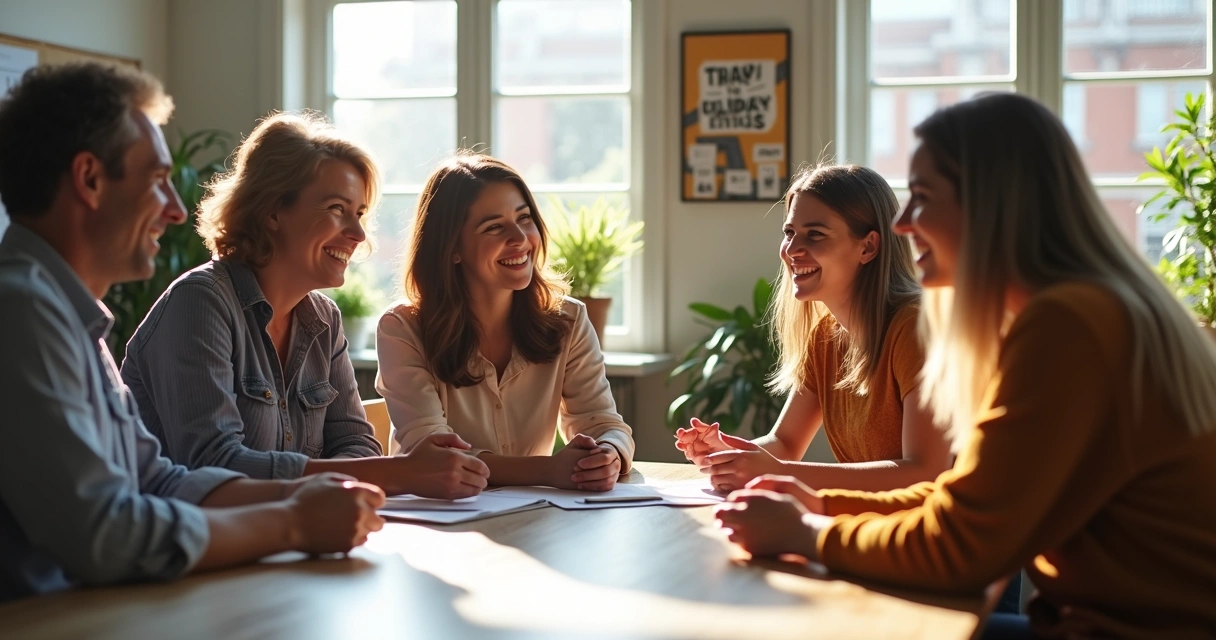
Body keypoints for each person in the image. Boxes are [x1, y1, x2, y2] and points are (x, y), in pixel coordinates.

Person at [715, 92, 1216, 638]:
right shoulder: (1081, 308)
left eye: (924, 198)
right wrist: (817, 502)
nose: (905, 224)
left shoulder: (1068, 326)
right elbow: (964, 500)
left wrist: (807, 534)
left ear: (993, 204)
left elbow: (963, 547)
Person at [0, 63, 385, 603]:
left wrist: (308, 497)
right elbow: (104, 535)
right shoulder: (20, 312)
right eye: (157, 181)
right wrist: (293, 524)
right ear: (89, 180)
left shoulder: (68, 318)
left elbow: (156, 480)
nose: (177, 211)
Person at [120, 112, 489, 499]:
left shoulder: (323, 319)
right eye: (336, 208)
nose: (358, 233)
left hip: (288, 542)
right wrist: (399, 473)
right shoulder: (200, 302)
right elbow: (214, 467)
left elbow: (357, 445)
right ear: (272, 210)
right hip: (198, 551)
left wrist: (386, 473)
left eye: (360, 213)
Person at [674, 164, 950, 494]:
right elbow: (785, 444)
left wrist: (781, 473)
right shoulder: (825, 336)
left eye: (815, 234)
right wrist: (730, 455)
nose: (792, 250)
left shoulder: (917, 328)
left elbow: (925, 474)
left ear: (868, 247)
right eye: (789, 233)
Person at [376, 153, 635, 491]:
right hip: (439, 526)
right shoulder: (402, 328)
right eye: (494, 226)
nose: (520, 237)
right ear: (452, 248)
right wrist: (547, 471)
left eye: (524, 218)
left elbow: (603, 422)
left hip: (535, 519)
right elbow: (435, 454)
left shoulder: (568, 319)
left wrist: (608, 454)